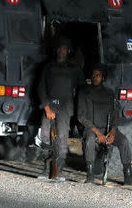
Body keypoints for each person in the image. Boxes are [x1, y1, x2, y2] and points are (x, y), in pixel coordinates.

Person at [77, 63, 132, 186]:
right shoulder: (84, 92)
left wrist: (112, 132)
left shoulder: (109, 93)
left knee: (123, 141)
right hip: (91, 129)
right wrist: (98, 133)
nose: (95, 77)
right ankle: (90, 175)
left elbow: (115, 115)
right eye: (93, 75)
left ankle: (128, 176)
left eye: (98, 75)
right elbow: (81, 116)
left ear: (103, 78)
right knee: (90, 139)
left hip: (106, 129)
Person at [37, 36, 85, 181]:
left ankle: (60, 170)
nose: (61, 50)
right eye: (59, 48)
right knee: (45, 137)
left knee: (62, 139)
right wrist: (46, 107)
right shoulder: (48, 67)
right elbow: (41, 88)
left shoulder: (74, 69)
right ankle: (46, 169)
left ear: (68, 51)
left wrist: (80, 112)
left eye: (64, 48)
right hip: (49, 105)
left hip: (65, 108)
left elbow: (82, 90)